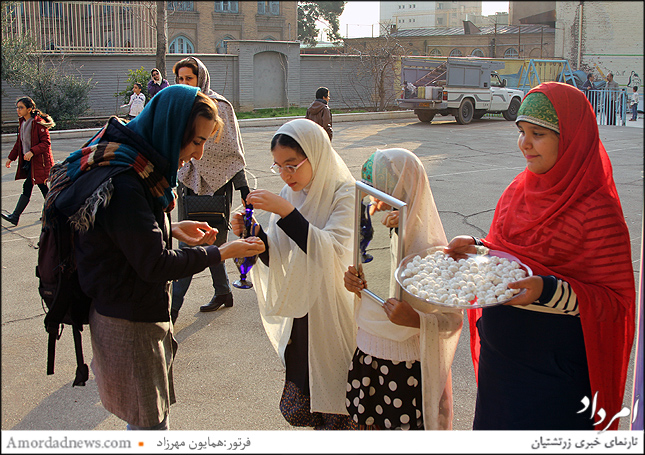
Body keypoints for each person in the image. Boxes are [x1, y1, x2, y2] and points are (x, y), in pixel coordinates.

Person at [42, 85, 265, 431]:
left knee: (148, 423)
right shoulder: (127, 180)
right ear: (171, 130)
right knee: (150, 429)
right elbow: (155, 264)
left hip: (126, 313)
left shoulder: (131, 160)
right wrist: (222, 251)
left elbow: (118, 235)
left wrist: (172, 229)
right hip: (129, 325)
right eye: (196, 142)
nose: (198, 155)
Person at [444, 82, 635, 430]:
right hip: (499, 372)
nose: (524, 144)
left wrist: (547, 290)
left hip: (553, 384)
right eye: (521, 131)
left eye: (538, 134)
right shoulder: (519, 190)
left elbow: (614, 303)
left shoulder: (597, 211)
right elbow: (509, 257)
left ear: (572, 138)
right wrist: (477, 248)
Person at [231, 118, 357, 430]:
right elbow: (280, 257)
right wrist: (255, 234)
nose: (286, 175)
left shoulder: (345, 194)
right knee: (307, 396)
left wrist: (287, 214)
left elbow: (334, 252)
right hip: (304, 314)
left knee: (339, 396)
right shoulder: (291, 193)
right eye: (278, 167)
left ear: (315, 154)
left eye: (292, 165)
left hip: (333, 310)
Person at [343, 148, 463, 430]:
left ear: (403, 188)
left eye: (382, 189)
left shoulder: (431, 253)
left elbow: (452, 319)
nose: (375, 200)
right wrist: (355, 285)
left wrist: (416, 320)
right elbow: (374, 287)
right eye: (371, 190)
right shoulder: (374, 232)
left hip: (405, 370)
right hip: (368, 358)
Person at [170, 56, 250, 322]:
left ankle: (172, 308)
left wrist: (244, 188)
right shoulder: (179, 106)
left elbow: (232, 151)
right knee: (194, 242)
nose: (183, 83)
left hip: (218, 187)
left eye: (188, 78)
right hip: (187, 185)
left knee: (205, 243)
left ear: (200, 78)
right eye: (179, 79)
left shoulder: (220, 107)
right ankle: (224, 291)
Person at [2, 97, 55, 226]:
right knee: (42, 187)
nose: (18, 110)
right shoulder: (23, 123)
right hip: (30, 162)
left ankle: (15, 217)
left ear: (29, 109)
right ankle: (52, 214)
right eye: (17, 107)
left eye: (21, 107)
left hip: (39, 161)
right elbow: (19, 143)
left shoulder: (38, 123)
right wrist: (11, 157)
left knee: (30, 186)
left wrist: (32, 151)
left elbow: (46, 143)